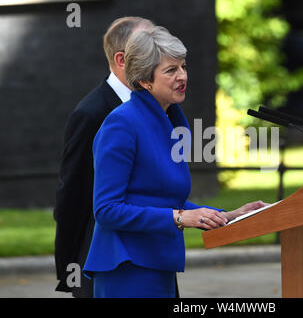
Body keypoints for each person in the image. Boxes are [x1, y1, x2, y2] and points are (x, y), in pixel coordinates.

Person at [82, 26, 268, 298]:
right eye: (171, 70)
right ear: (145, 80)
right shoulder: (121, 124)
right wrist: (181, 218)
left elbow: (164, 199)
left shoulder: (169, 121)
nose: (182, 76)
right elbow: (107, 209)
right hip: (127, 267)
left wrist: (226, 215)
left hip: (158, 263)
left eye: (183, 67)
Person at [53, 16, 154, 298]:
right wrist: (72, 270)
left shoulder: (155, 108)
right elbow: (72, 195)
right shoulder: (92, 113)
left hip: (152, 257)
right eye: (150, 47)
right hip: (105, 262)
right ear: (122, 60)